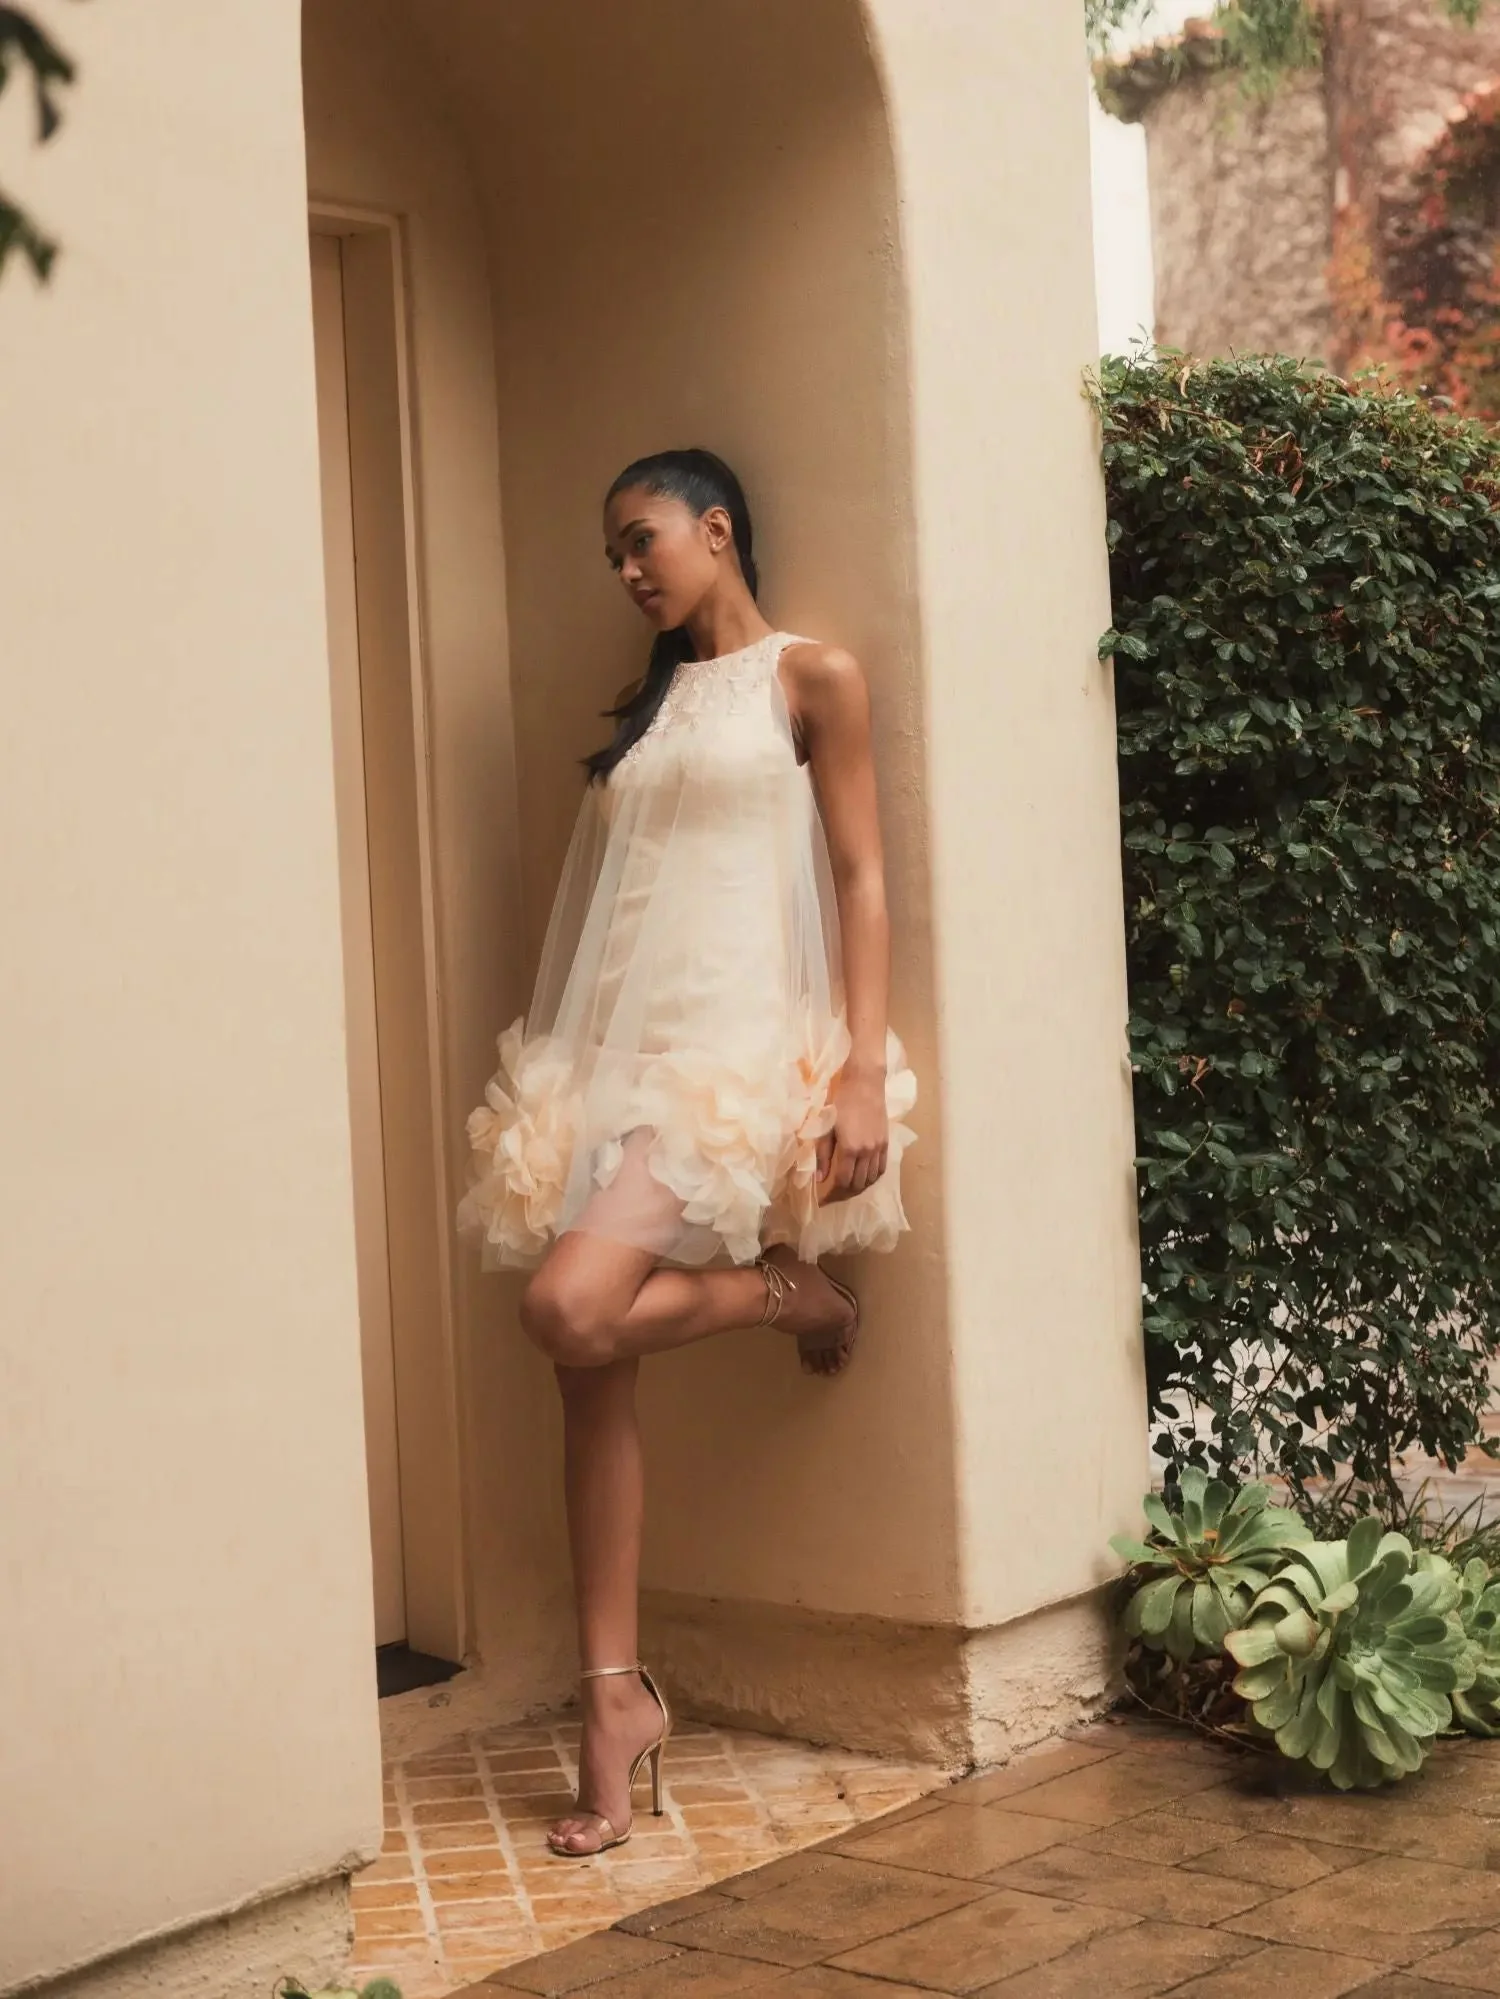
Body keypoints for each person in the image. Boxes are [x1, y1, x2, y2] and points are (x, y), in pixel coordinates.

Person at [458, 448, 916, 1857]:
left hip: (730, 1057)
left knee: (569, 1307)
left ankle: (797, 1294)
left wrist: (857, 1071)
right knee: (584, 1370)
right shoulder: (652, 710)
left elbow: (861, 876)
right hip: (616, 1057)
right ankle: (613, 1703)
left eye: (641, 538)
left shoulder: (810, 675)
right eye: (613, 552)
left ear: (716, 528)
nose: (627, 569)